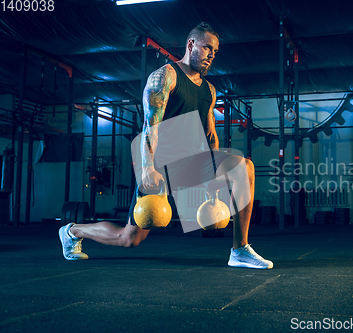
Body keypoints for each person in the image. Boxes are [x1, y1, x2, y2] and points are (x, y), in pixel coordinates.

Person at [59, 23, 273, 270]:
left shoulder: (209, 90)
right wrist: (148, 167)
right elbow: (151, 126)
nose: (212, 55)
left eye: (215, 51)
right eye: (207, 48)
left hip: (192, 162)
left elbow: (210, 135)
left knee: (243, 166)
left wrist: (214, 182)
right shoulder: (165, 77)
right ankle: (72, 231)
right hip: (160, 165)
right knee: (129, 238)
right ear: (191, 45)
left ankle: (240, 250)